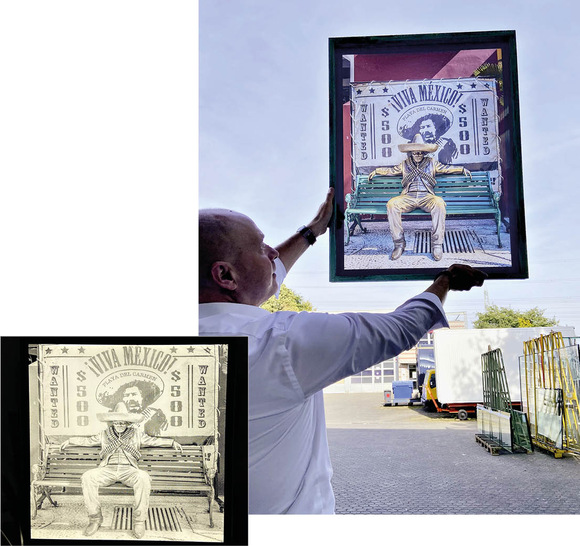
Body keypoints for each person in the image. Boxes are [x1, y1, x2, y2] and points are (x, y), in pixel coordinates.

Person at [198, 190, 486, 514]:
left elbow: (252, 285)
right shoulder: (281, 343)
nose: (271, 253)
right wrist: (445, 281)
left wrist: (311, 232)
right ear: (224, 275)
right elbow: (401, 328)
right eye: (261, 248)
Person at [60, 402, 183, 538]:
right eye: (117, 423)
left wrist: (171, 442)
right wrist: (70, 441)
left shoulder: (136, 434)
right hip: (108, 470)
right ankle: (95, 519)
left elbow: (153, 440)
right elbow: (87, 441)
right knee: (88, 477)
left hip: (128, 470)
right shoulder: (104, 434)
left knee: (143, 477)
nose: (119, 425)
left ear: (127, 423)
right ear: (112, 422)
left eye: (122, 423)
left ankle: (139, 521)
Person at [369, 133, 471, 261]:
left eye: (420, 152)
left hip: (427, 197)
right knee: (392, 204)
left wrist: (461, 169)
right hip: (408, 197)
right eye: (415, 152)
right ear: (411, 152)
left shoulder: (432, 163)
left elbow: (446, 168)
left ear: (424, 153)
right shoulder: (404, 164)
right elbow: (391, 171)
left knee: (439, 204)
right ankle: (399, 244)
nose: (418, 155)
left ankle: (437, 244)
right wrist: (377, 171)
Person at [100, 380, 168, 436]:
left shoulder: (155, 414)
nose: (130, 398)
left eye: (134, 394)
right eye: (126, 395)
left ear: (142, 396)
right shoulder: (115, 415)